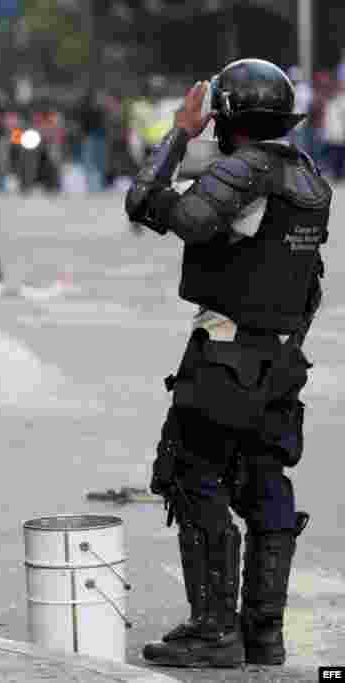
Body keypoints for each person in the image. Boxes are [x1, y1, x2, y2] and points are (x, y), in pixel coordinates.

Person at [126, 58, 328, 669]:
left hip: (226, 353)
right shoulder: (307, 174)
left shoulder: (245, 169)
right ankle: (263, 634)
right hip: (281, 357)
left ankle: (213, 630)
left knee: (194, 478)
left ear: (224, 115)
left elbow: (152, 205)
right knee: (267, 482)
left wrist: (182, 132)